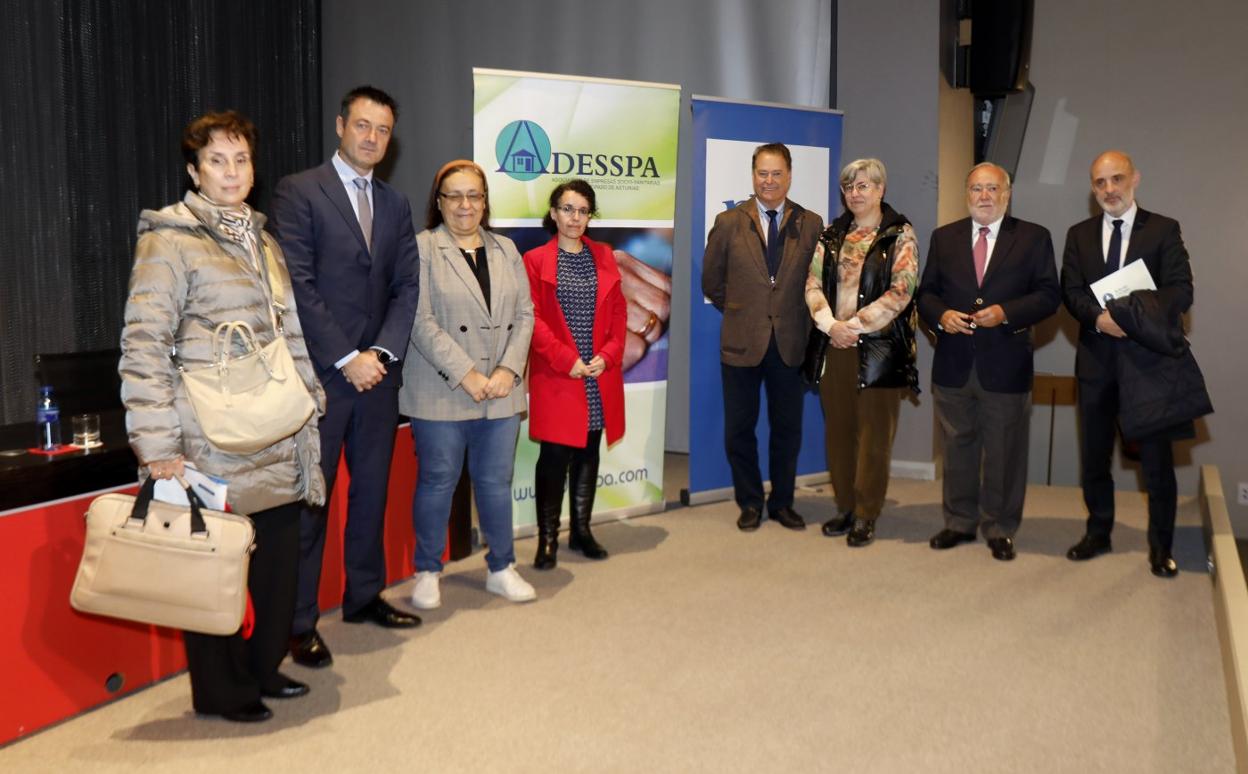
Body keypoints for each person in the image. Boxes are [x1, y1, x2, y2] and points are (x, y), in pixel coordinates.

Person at [119, 110, 325, 722]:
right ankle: (220, 690)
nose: (231, 171)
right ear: (194, 170)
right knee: (211, 566)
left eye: (241, 159)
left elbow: (287, 331)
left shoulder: (261, 239)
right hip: (207, 437)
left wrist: (310, 399)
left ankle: (263, 669)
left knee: (278, 566)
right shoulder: (168, 240)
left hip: (277, 429)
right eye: (216, 160)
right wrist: (157, 445)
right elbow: (143, 344)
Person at [270, 85, 421, 670]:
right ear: (340, 126)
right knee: (312, 504)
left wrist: (379, 353)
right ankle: (299, 622)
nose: (372, 138)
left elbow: (406, 285)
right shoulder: (299, 191)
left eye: (382, 130)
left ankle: (363, 596)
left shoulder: (397, 204)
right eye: (362, 125)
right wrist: (346, 357)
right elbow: (297, 285)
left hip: (378, 379)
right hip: (322, 379)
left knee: (372, 494)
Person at [402, 159, 536, 609]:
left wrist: (507, 371)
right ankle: (427, 570)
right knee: (438, 479)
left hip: (500, 390)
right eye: (454, 196)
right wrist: (467, 374)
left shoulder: (506, 250)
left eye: (473, 195)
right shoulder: (421, 248)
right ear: (438, 203)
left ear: (485, 202)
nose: (465, 205)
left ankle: (502, 566)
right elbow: (419, 321)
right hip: (441, 389)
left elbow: (525, 316)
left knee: (497, 482)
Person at [917, 162, 1060, 561]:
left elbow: (1050, 295)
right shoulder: (944, 238)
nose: (984, 196)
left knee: (1004, 451)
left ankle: (1000, 526)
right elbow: (925, 293)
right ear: (967, 193)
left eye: (992, 189)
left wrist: (1007, 312)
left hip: (1006, 363)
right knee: (958, 446)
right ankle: (959, 522)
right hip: (953, 363)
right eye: (977, 188)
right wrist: (940, 315)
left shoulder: (1033, 238)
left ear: (1007, 194)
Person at [1060, 150, 1194, 578]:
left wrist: (1131, 315)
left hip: (1149, 364)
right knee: (1095, 457)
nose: (1109, 189)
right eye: (1100, 182)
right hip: (1097, 362)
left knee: (1156, 462)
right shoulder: (1078, 234)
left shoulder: (1163, 229)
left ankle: (1161, 546)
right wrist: (1098, 319)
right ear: (1092, 187)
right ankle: (1098, 532)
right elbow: (1071, 290)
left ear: (1134, 178)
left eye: (1117, 179)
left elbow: (1181, 291)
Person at [701, 143, 824, 532]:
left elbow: (817, 281)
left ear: (789, 175)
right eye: (762, 173)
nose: (768, 181)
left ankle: (783, 503)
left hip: (790, 343)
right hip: (741, 342)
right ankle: (750, 502)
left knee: (787, 429)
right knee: (739, 428)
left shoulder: (812, 223)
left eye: (776, 174)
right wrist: (742, 310)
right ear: (752, 176)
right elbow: (712, 282)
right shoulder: (728, 222)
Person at [804, 158, 919, 548]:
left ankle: (867, 513)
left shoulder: (899, 234)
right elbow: (812, 284)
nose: (856, 193)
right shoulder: (831, 234)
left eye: (864, 186)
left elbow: (902, 291)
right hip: (834, 344)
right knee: (839, 432)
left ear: (881, 190)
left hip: (879, 347)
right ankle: (846, 507)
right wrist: (830, 325)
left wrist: (854, 326)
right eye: (850, 187)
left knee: (874, 437)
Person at [524, 180, 628, 569]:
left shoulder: (603, 255)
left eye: (583, 211)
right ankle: (547, 539)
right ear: (553, 213)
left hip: (598, 373)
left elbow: (619, 313)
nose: (575, 217)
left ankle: (581, 530)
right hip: (559, 373)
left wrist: (609, 354)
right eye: (567, 209)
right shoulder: (534, 260)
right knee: (553, 457)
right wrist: (565, 358)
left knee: (588, 453)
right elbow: (531, 319)